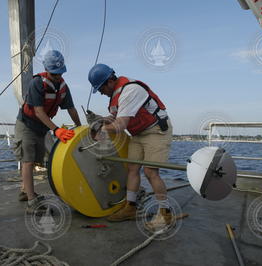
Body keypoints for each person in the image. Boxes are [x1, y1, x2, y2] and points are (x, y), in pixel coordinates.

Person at [88, 63, 173, 230]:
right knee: (132, 168)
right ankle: (130, 207)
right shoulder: (115, 96)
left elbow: (120, 125)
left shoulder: (130, 90)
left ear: (110, 81)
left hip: (156, 130)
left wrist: (102, 130)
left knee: (150, 171)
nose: (101, 92)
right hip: (138, 133)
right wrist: (99, 120)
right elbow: (114, 117)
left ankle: (166, 213)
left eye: (101, 88)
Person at [14, 50, 81, 213]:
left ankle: (25, 191)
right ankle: (31, 202)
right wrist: (56, 130)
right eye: (54, 74)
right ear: (47, 70)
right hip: (27, 125)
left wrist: (79, 127)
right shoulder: (37, 82)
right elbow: (38, 111)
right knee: (28, 161)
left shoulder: (63, 87)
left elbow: (71, 109)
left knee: (36, 159)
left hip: (42, 128)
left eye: (60, 73)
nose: (58, 77)